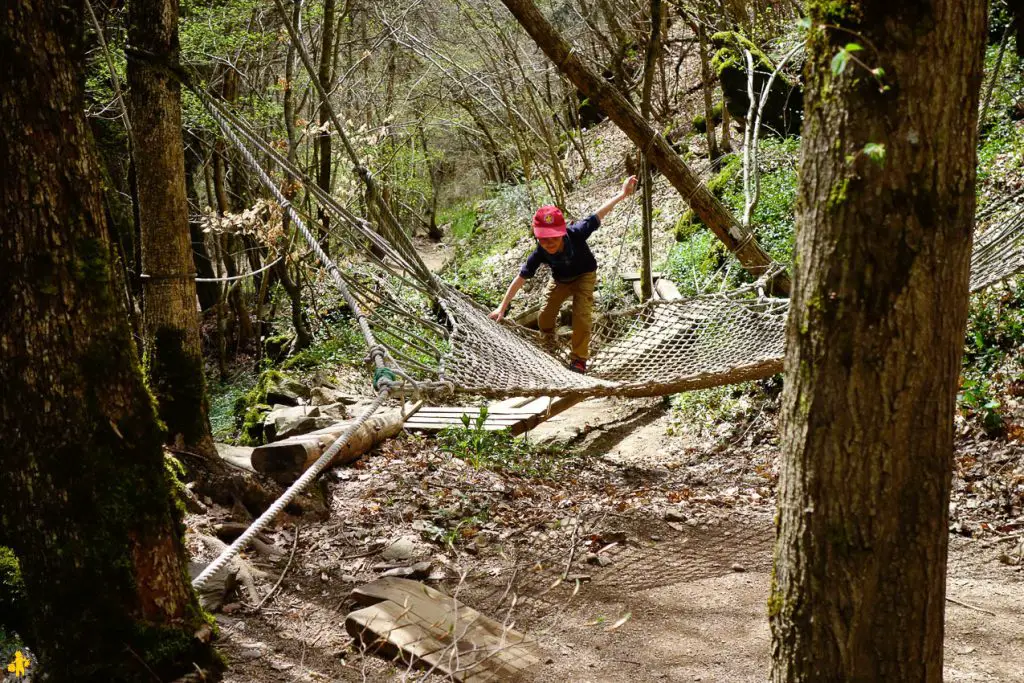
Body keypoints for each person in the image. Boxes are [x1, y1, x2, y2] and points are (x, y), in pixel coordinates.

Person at [489, 176, 638, 374]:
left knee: (582, 317)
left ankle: (579, 359)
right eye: (543, 240)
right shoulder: (539, 252)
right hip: (560, 279)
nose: (548, 244)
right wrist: (502, 306)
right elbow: (521, 278)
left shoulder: (576, 233)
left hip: (585, 276)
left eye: (552, 239)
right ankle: (549, 345)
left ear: (562, 233)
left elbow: (599, 214)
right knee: (544, 317)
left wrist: (623, 194)